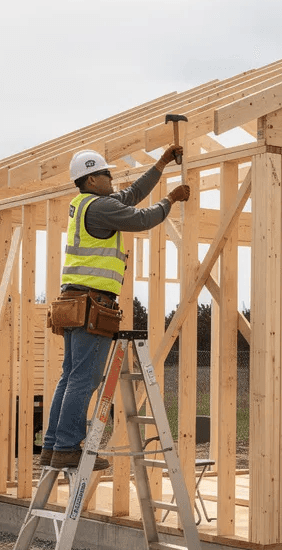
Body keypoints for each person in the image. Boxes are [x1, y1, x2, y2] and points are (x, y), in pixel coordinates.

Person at [41, 147, 190, 471]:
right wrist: (171, 199)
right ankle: (67, 447)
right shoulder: (101, 207)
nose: (112, 178)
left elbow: (132, 194)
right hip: (93, 303)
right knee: (84, 380)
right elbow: (143, 218)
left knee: (70, 377)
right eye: (106, 174)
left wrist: (162, 163)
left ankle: (54, 446)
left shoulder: (86, 204)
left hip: (74, 302)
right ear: (92, 179)